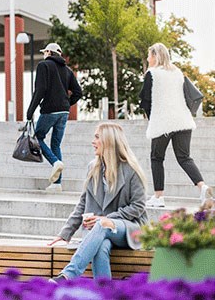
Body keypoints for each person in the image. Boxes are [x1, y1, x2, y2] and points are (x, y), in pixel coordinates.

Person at [48, 123, 148, 282]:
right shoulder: (92, 167)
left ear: (109, 141)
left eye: (97, 137)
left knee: (103, 225)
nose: (92, 141)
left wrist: (108, 219)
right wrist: (65, 234)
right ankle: (104, 293)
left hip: (129, 229)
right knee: (101, 247)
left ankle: (68, 275)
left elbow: (138, 206)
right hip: (100, 231)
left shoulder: (131, 169)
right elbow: (82, 203)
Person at [138, 42, 213, 207]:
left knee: (156, 158)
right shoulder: (177, 72)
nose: (148, 59)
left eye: (149, 55)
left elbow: (145, 101)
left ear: (155, 56)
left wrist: (152, 119)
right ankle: (202, 187)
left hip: (163, 123)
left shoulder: (152, 74)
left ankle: (159, 197)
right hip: (183, 121)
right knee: (185, 157)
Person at [25, 43, 82, 192]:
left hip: (49, 110)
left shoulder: (44, 66)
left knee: (38, 138)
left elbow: (40, 89)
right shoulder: (67, 70)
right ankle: (57, 184)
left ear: (49, 52)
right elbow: (78, 92)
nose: (44, 54)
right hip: (63, 112)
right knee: (56, 144)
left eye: (45, 52)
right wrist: (66, 104)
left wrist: (30, 111)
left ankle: (55, 162)